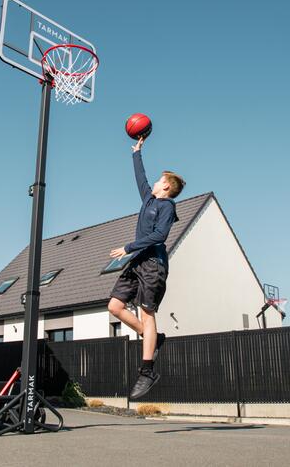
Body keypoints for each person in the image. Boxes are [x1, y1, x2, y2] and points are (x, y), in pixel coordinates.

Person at [108, 135, 185, 399]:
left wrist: (128, 247)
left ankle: (148, 370)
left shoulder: (166, 206)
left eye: (159, 181)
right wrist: (137, 152)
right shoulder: (148, 201)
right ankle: (152, 337)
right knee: (114, 306)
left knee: (146, 315)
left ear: (166, 187)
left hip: (153, 263)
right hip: (138, 261)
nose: (153, 182)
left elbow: (160, 236)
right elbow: (140, 177)